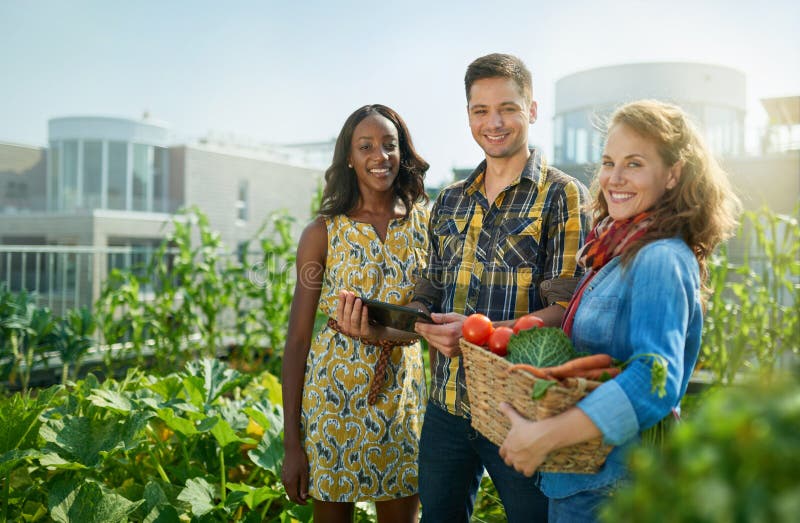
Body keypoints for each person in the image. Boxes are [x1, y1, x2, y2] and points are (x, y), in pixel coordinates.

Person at [498, 99, 741, 522]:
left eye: (634, 164)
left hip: (617, 487)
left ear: (673, 174)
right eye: (609, 162)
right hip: (585, 480)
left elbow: (654, 381)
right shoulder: (613, 251)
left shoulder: (659, 257)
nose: (614, 178)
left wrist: (544, 436)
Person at [411, 53, 590, 522]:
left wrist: (475, 331)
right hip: (447, 406)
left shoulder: (562, 195)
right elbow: (430, 285)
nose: (494, 122)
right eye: (480, 110)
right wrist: (407, 317)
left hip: (521, 410)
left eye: (508, 108)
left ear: (531, 110)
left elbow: (567, 310)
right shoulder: (449, 200)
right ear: (468, 114)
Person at [281, 104, 430, 523]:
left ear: (403, 153)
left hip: (402, 400)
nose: (379, 156)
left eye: (389, 145)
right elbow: (296, 341)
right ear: (348, 155)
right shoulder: (322, 232)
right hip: (332, 403)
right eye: (366, 146)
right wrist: (293, 443)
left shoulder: (426, 224)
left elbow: (435, 316)